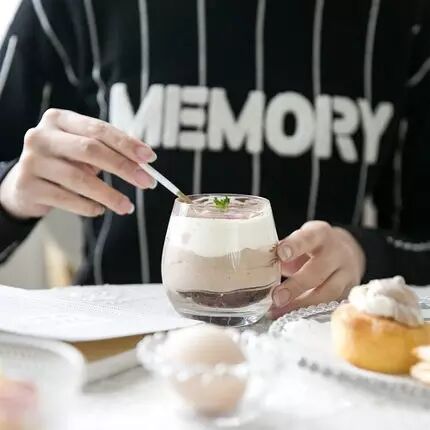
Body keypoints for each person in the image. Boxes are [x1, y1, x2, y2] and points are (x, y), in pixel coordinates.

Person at [0, 0, 429, 318]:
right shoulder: (72, 8)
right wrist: (11, 196)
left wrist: (364, 253)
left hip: (321, 357)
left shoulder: (405, 18)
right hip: (116, 356)